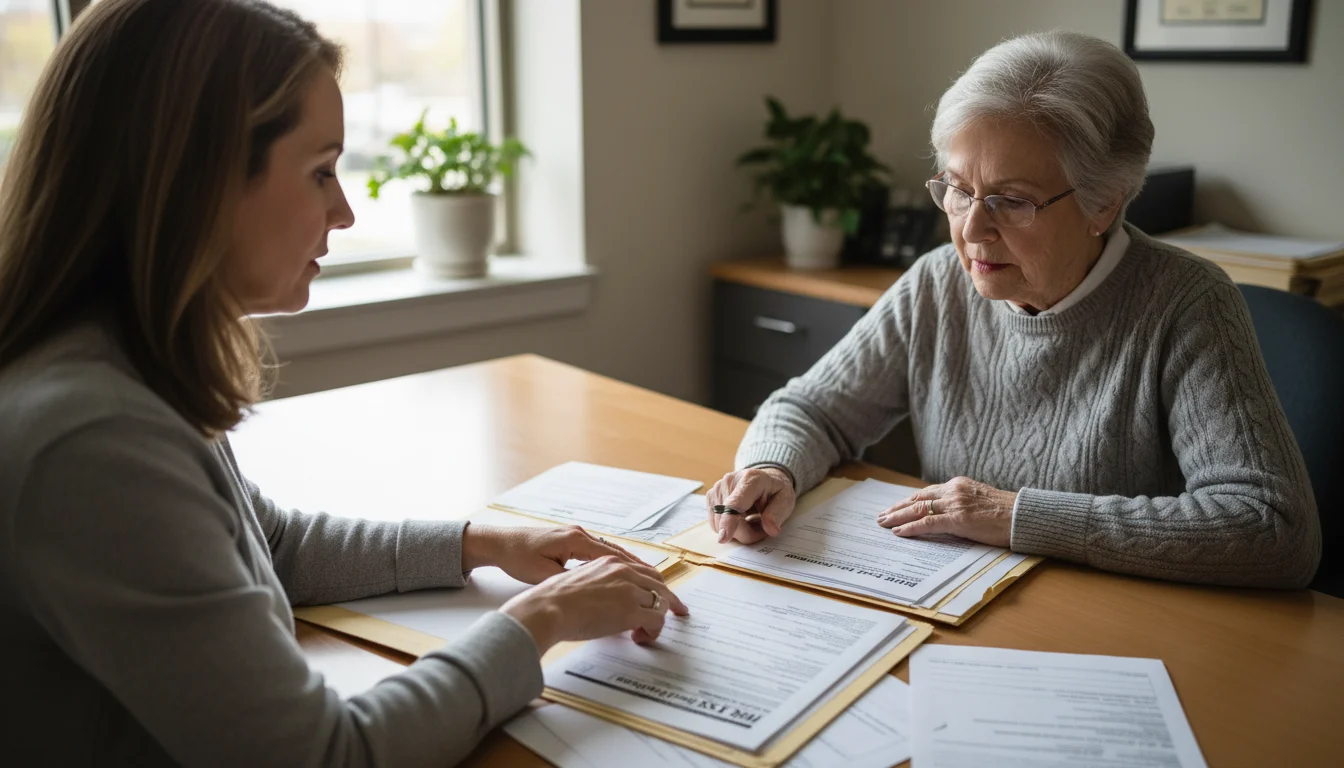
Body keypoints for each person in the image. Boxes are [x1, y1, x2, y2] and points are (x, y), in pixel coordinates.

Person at [0, 1, 686, 765]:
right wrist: (540, 622)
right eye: (321, 171)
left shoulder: (124, 366)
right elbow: (329, 756)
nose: (346, 211)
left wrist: (482, 542)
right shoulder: (95, 443)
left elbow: (272, 546)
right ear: (201, 177)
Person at [707, 30, 1321, 590]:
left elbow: (1272, 529)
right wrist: (773, 468)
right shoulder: (937, 284)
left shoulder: (1186, 305)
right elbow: (811, 408)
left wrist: (1016, 515)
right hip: (955, 608)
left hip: (1116, 629)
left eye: (1012, 200)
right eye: (957, 189)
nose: (972, 229)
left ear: (1104, 203)